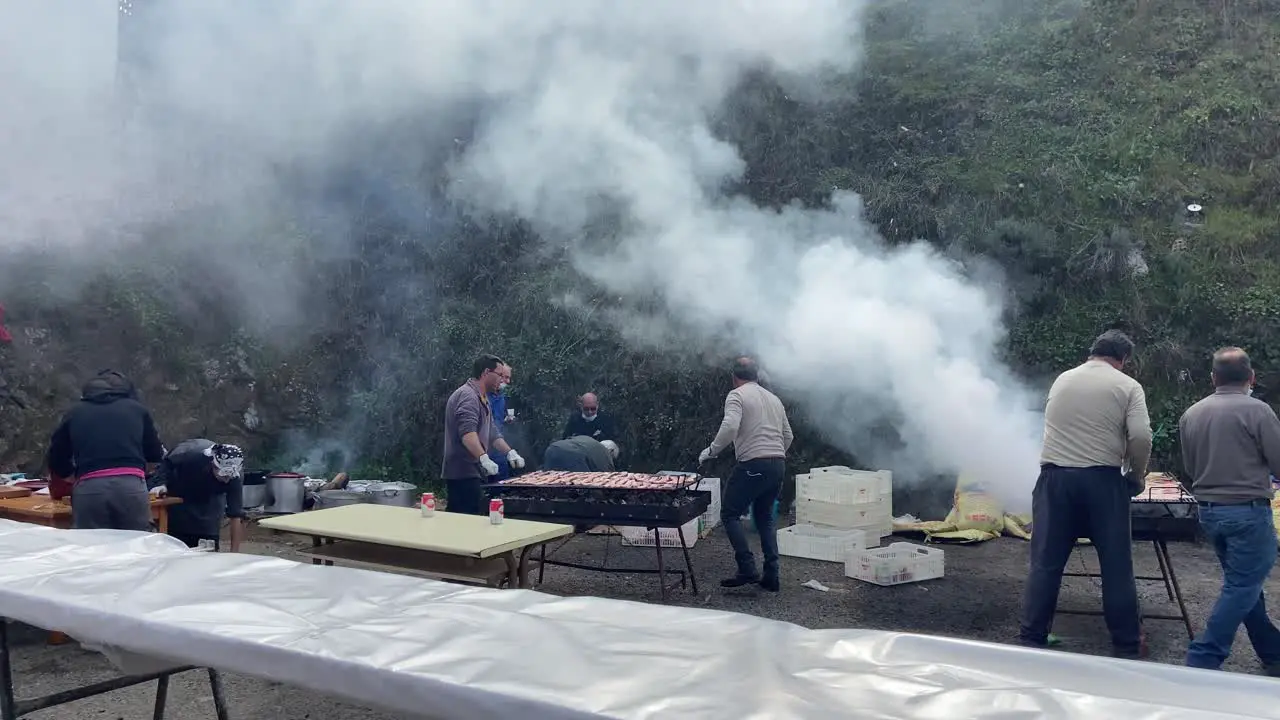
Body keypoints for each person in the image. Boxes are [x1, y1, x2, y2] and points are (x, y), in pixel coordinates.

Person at [1019, 330, 1151, 659]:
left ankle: (1032, 636)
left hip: (1054, 480)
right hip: (1101, 481)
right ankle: (1126, 643)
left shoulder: (1063, 380)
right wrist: (1135, 476)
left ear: (1092, 351)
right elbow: (1141, 437)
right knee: (1116, 566)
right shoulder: (1127, 386)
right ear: (1123, 360)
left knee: (1045, 564)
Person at [1179, 347, 1280, 674]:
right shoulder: (1259, 412)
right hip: (1248, 513)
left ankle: (1273, 651)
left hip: (1210, 512)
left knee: (1244, 584)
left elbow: (1191, 468)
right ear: (1251, 377)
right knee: (1242, 586)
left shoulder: (1191, 414)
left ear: (1213, 378)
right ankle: (1202, 659)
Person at [699, 357, 793, 592]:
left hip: (753, 463)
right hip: (778, 464)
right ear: (756, 376)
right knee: (765, 517)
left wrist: (712, 450)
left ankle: (747, 567)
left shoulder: (737, 395)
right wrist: (774, 454)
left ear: (734, 377)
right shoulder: (774, 399)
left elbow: (730, 427)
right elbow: (788, 436)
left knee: (729, 513)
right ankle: (772, 576)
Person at [46, 370, 166, 531]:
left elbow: (56, 455)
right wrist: (139, 472)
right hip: (130, 488)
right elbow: (155, 454)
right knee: (137, 546)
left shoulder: (75, 413)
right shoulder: (137, 410)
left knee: (92, 548)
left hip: (89, 488)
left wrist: (72, 475)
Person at [441, 354, 525, 515]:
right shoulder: (468, 396)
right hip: (462, 472)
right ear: (486, 373)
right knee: (462, 522)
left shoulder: (482, 397)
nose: (502, 380)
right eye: (499, 375)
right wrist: (484, 458)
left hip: (472, 472)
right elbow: (467, 434)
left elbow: (493, 432)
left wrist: (510, 452)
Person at [149, 439, 246, 552]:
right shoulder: (190, 455)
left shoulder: (235, 478)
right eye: (224, 476)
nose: (226, 480)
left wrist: (234, 554)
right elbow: (167, 463)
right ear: (213, 465)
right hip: (181, 492)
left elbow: (235, 515)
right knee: (177, 545)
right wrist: (161, 483)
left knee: (208, 544)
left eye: (229, 477)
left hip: (210, 503)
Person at [486, 363, 514, 480]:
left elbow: (497, 419)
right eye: (506, 377)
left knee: (503, 482)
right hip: (486, 449)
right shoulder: (483, 395)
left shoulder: (501, 396)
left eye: (509, 378)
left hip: (500, 447)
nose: (508, 381)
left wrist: (506, 420)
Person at [543, 436, 619, 472]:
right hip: (573, 455)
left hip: (552, 448)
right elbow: (606, 474)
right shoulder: (604, 451)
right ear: (611, 451)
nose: (610, 459)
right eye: (612, 457)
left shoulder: (588, 440)